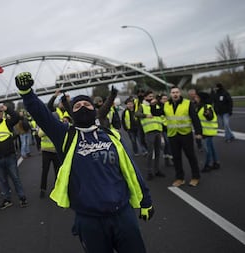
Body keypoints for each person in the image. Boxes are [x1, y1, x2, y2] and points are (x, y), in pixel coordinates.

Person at [15, 72, 154, 253]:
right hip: (89, 220)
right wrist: (26, 93)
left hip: (123, 215)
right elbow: (42, 115)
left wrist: (146, 201)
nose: (82, 107)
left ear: (94, 110)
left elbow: (131, 169)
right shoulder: (66, 135)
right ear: (72, 113)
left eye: (87, 104)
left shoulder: (111, 135)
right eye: (77, 105)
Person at [153, 86, 202, 187]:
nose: (175, 94)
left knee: (191, 156)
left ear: (180, 93)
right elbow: (156, 113)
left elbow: (195, 118)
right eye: (173, 92)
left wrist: (198, 132)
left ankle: (195, 177)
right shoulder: (166, 105)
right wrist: (153, 105)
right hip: (172, 135)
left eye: (177, 92)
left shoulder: (187, 103)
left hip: (186, 134)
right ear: (170, 94)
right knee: (176, 157)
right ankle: (180, 178)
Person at [135, 90, 166, 180]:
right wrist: (145, 115)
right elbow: (137, 114)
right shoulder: (142, 106)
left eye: (152, 96)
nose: (151, 98)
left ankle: (156, 170)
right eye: (149, 97)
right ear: (145, 98)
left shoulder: (156, 105)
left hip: (158, 131)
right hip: (149, 132)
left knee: (157, 152)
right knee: (150, 153)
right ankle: (149, 172)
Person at [195, 92, 220, 172]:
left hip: (208, 131)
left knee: (207, 149)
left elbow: (210, 117)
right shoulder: (200, 106)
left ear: (200, 98)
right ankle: (216, 163)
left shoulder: (207, 107)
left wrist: (208, 114)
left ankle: (207, 165)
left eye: (196, 97)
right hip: (206, 130)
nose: (195, 98)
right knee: (211, 147)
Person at [37, 117, 61, 199]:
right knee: (45, 171)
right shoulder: (43, 125)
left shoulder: (56, 124)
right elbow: (40, 134)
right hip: (46, 151)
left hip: (56, 151)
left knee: (58, 171)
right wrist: (48, 128)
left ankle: (58, 188)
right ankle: (43, 189)